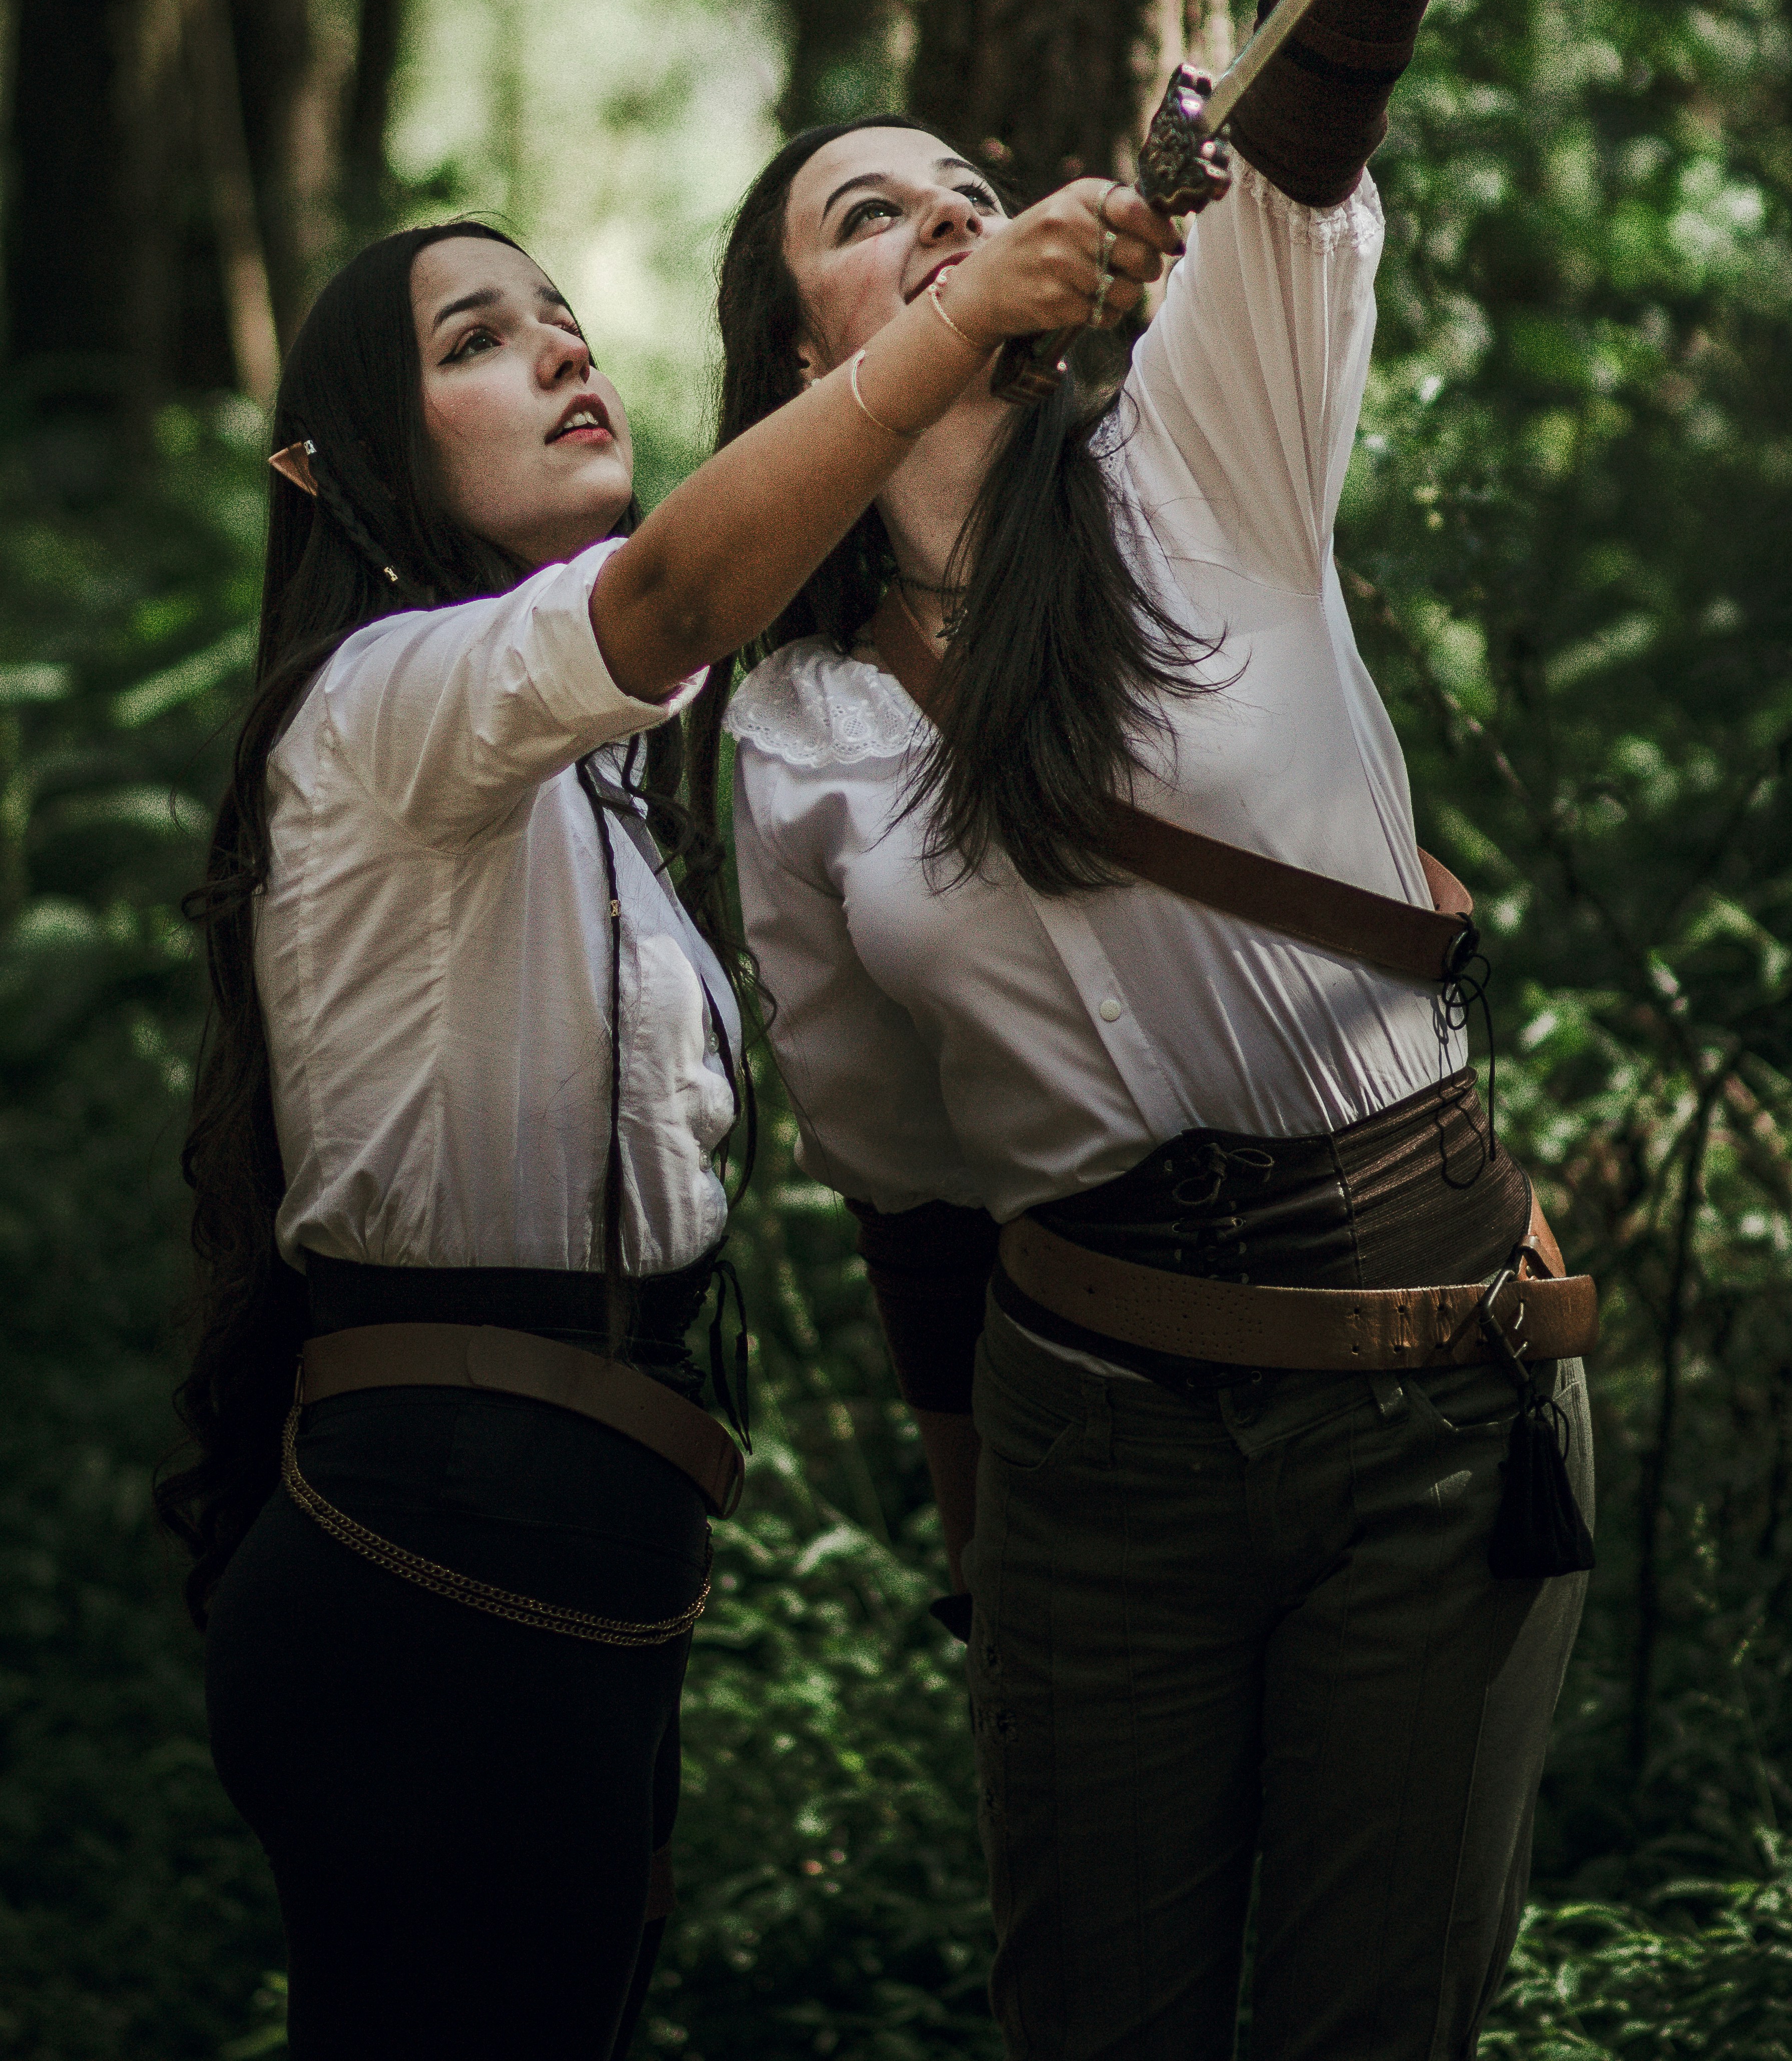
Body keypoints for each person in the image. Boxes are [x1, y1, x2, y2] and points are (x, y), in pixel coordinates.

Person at [707, 0, 1645, 2059]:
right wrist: (983, 1519)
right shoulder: (786, 721)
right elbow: (894, 1172)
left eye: (951, 181)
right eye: (855, 216)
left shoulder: (1194, 453)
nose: (925, 216)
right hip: (1087, 1434)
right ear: (814, 352)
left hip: (1418, 1374)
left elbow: (1326, 99)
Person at [159, 185, 1177, 2061]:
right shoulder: (388, 701)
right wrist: (947, 332)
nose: (560, 349)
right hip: (440, 1528)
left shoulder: (593, 772)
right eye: (474, 342)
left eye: (560, 317)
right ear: (332, 470)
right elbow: (675, 595)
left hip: (564, 1533)